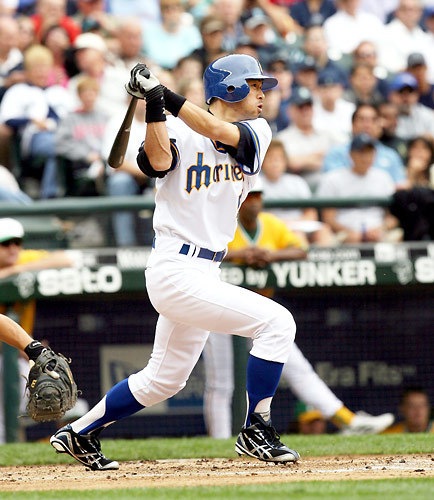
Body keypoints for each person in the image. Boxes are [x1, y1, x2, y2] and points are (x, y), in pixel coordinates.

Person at [50, 53, 302, 470]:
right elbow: (159, 161)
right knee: (278, 323)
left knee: (165, 380)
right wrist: (152, 106)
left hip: (205, 270)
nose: (262, 94)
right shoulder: (178, 130)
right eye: (254, 85)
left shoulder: (257, 130)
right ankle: (256, 430)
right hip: (175, 267)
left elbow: (216, 129)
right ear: (231, 88)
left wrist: (162, 94)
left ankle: (78, 433)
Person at [203, 179, 394, 438]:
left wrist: (269, 255)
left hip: (258, 314)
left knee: (299, 369)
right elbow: (202, 250)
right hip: (219, 309)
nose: (254, 201)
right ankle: (219, 441)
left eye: (257, 196)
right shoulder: (223, 222)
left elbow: (300, 250)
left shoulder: (271, 224)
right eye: (249, 196)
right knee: (221, 383)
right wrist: (241, 255)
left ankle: (348, 421)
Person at [317, 133, 397, 243]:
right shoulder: (333, 178)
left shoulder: (383, 177)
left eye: (369, 152)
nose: (366, 157)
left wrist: (381, 229)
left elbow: (392, 217)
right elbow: (328, 219)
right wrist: (350, 232)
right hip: (343, 232)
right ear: (351, 154)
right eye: (361, 152)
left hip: (378, 231)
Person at [260, 139, 333, 246]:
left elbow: (311, 214)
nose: (275, 163)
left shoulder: (297, 182)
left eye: (279, 159)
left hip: (298, 224)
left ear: (285, 161)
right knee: (297, 235)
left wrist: (295, 222)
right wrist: (282, 224)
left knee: (324, 231)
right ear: (262, 161)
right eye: (270, 159)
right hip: (271, 229)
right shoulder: (256, 183)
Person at [322, 103, 407, 187]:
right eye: (362, 120)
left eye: (373, 120)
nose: (367, 125)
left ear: (379, 125)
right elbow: (331, 183)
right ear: (352, 125)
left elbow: (400, 184)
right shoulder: (336, 153)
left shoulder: (391, 155)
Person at [55, 76, 107, 196]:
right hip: (79, 164)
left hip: (104, 162)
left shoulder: (105, 117)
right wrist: (86, 155)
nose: (89, 97)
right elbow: (60, 144)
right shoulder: (70, 118)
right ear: (79, 95)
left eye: (92, 93)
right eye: (85, 93)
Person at [276, 86, 336, 191]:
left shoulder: (326, 135)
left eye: (308, 107)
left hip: (328, 190)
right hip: (295, 192)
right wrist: (318, 157)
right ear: (290, 111)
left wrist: (304, 159)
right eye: (301, 107)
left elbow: (335, 161)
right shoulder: (283, 138)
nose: (305, 111)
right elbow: (293, 163)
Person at [388, 72, 434, 141]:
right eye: (400, 92)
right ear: (391, 95)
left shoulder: (428, 115)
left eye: (410, 91)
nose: (405, 97)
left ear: (417, 94)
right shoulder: (384, 115)